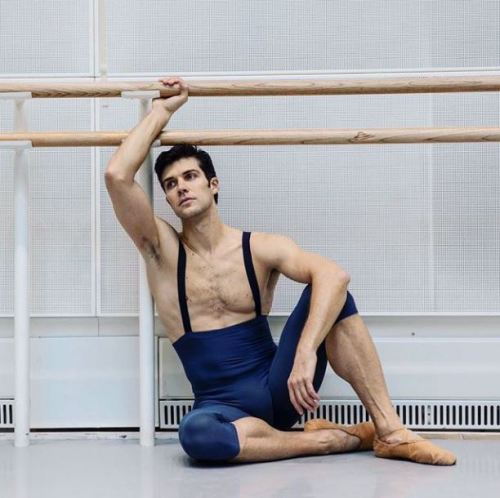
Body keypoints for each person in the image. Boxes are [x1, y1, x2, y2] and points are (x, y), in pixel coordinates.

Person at [104, 76, 457, 466]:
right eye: (171, 185)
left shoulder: (259, 247)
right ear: (167, 198)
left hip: (282, 387)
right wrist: (162, 111)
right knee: (196, 435)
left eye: (190, 177)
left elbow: (334, 275)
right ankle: (326, 442)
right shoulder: (163, 251)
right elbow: (117, 176)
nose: (181, 188)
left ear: (213, 184)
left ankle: (389, 431)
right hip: (222, 408)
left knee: (332, 292)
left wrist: (305, 353)